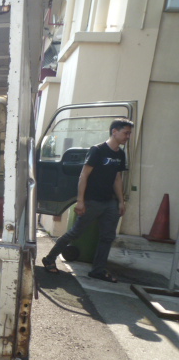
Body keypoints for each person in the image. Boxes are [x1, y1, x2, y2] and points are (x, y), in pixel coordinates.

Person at [42, 118, 133, 283]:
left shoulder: (120, 154)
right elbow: (84, 175)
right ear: (114, 131)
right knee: (75, 233)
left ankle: (98, 270)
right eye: (126, 133)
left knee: (107, 237)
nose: (128, 136)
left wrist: (121, 201)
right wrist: (81, 201)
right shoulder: (97, 150)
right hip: (92, 201)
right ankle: (49, 259)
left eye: (129, 133)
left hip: (110, 202)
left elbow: (117, 178)